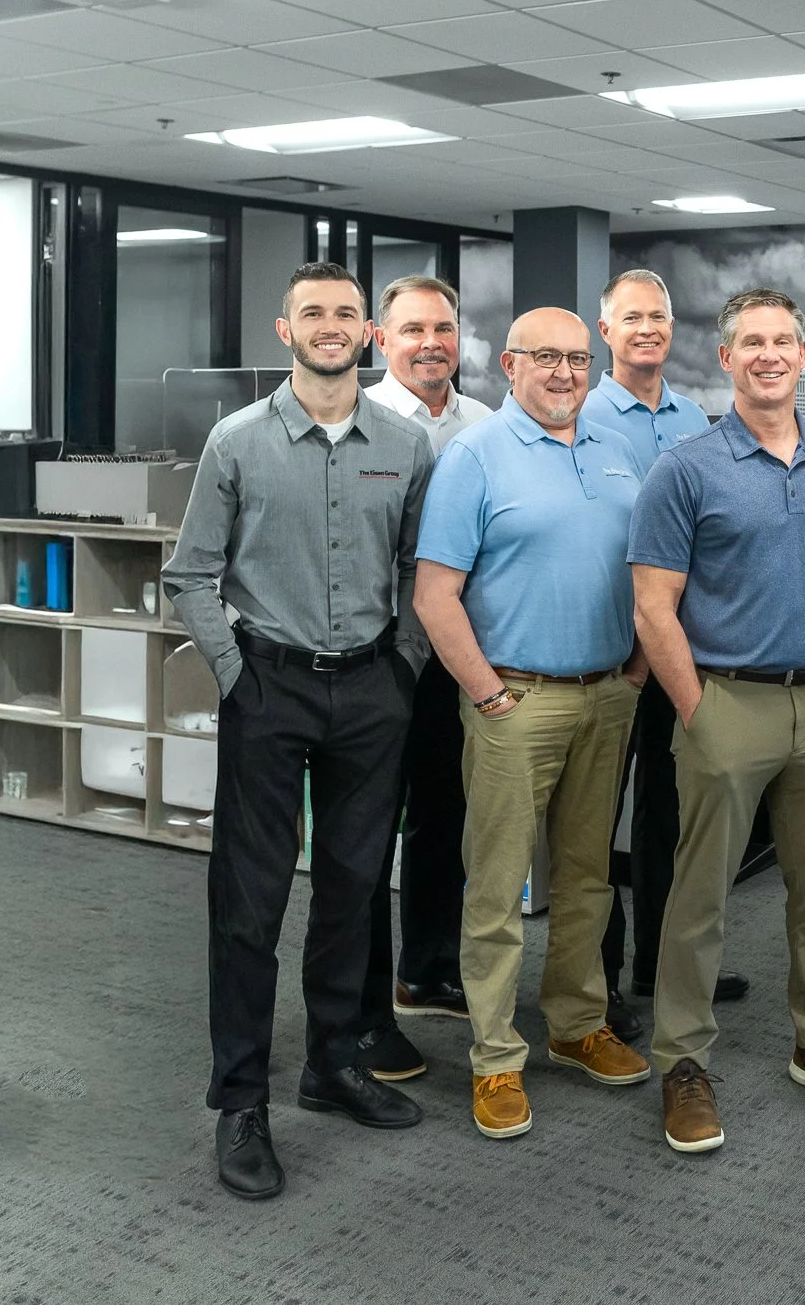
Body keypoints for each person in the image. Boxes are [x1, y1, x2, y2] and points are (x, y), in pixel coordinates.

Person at [164, 261, 433, 1200]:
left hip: (371, 694)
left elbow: (420, 571)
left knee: (355, 891)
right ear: (286, 332)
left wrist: (402, 667)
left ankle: (331, 1060)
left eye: (346, 313)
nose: (331, 325)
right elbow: (189, 574)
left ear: (367, 333)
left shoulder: (405, 443)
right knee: (250, 902)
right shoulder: (235, 442)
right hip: (269, 688)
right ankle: (242, 1098)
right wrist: (239, 680)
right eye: (312, 312)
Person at [630, 288, 805, 1155]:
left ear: (803, 356)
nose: (770, 354)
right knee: (698, 896)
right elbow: (652, 607)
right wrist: (697, 711)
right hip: (726, 700)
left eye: (784, 340)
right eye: (753, 342)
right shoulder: (688, 468)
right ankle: (683, 1062)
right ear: (727, 358)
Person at [413, 306, 653, 1141]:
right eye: (545, 357)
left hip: (606, 693)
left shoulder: (618, 451)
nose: (563, 373)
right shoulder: (473, 457)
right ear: (509, 365)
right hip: (515, 700)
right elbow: (433, 595)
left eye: (577, 358)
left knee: (588, 878)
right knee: (499, 887)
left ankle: (579, 1022)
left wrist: (635, 671)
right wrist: (486, 693)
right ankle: (495, 1058)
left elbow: (648, 571)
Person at [578, 267, 745, 1040]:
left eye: (660, 318)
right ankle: (597, 984)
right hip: (610, 647)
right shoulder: (580, 413)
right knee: (594, 821)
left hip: (680, 646)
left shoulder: (696, 419)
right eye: (631, 318)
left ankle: (658, 963)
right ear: (605, 330)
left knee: (670, 813)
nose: (647, 329)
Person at [356, 274, 490, 1084]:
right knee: (365, 836)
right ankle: (363, 1007)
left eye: (442, 328)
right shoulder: (363, 422)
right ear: (382, 338)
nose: (430, 342)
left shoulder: (483, 423)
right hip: (377, 659)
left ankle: (427, 968)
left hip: (455, 655)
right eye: (412, 330)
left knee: (446, 815)